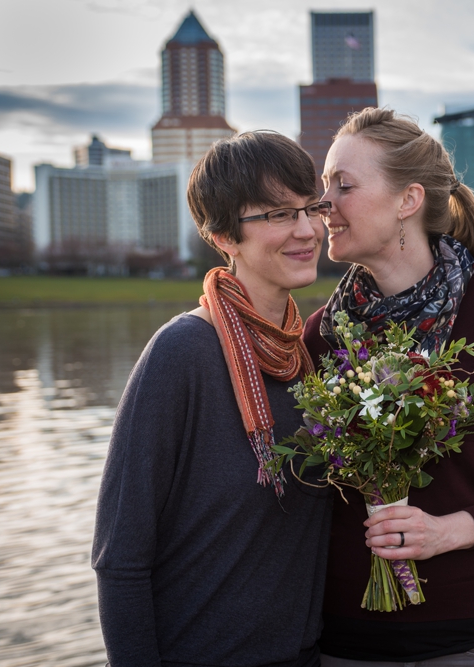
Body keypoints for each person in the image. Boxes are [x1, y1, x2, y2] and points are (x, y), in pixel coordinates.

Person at [303, 107, 474, 666]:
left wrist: (447, 532)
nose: (322, 203)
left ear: (408, 201)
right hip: (348, 645)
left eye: (343, 185)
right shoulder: (323, 335)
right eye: (323, 186)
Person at [92, 131, 333, 667]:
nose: (305, 230)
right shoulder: (182, 353)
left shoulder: (309, 355)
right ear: (224, 235)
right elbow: (120, 559)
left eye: (309, 208)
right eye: (276, 215)